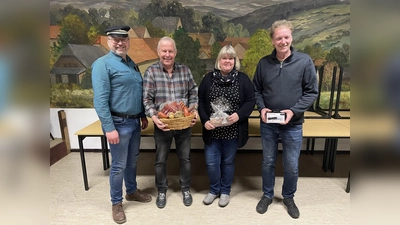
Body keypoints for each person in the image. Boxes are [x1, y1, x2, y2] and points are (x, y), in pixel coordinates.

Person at [253, 20, 318, 219]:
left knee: (291, 164)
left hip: (293, 124)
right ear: (272, 41)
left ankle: (288, 197)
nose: (283, 41)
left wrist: (293, 111)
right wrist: (262, 108)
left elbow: (311, 92)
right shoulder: (264, 63)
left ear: (291, 37)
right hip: (269, 124)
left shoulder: (304, 61)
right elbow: (257, 90)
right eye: (279, 38)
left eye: (286, 37)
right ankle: (267, 195)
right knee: (268, 161)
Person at [92, 25, 152, 224]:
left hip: (134, 122)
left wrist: (143, 115)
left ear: (128, 41)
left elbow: (137, 92)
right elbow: (100, 100)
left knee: (133, 160)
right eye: (115, 39)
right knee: (118, 165)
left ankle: (132, 191)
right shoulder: (103, 64)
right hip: (118, 123)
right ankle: (116, 203)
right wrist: (109, 127)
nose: (120, 42)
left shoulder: (131, 63)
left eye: (123, 39)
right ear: (108, 41)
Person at [142, 36, 198, 209]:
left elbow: (193, 93)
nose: (167, 54)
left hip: (184, 124)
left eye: (170, 51)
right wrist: (155, 117)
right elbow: (146, 100)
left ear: (175, 52)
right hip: (163, 125)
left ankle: (186, 189)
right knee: (160, 160)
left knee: (185, 159)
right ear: (158, 52)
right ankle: (161, 190)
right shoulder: (151, 72)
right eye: (164, 51)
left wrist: (193, 111)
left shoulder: (185, 70)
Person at [198, 45, 255, 207]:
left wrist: (239, 115)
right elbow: (201, 101)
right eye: (224, 58)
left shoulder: (242, 79)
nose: (227, 61)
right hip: (212, 130)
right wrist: (204, 120)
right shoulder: (208, 78)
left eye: (231, 58)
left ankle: (225, 191)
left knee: (228, 162)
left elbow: (251, 100)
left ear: (235, 61)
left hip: (233, 130)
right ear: (219, 60)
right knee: (211, 162)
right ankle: (213, 190)